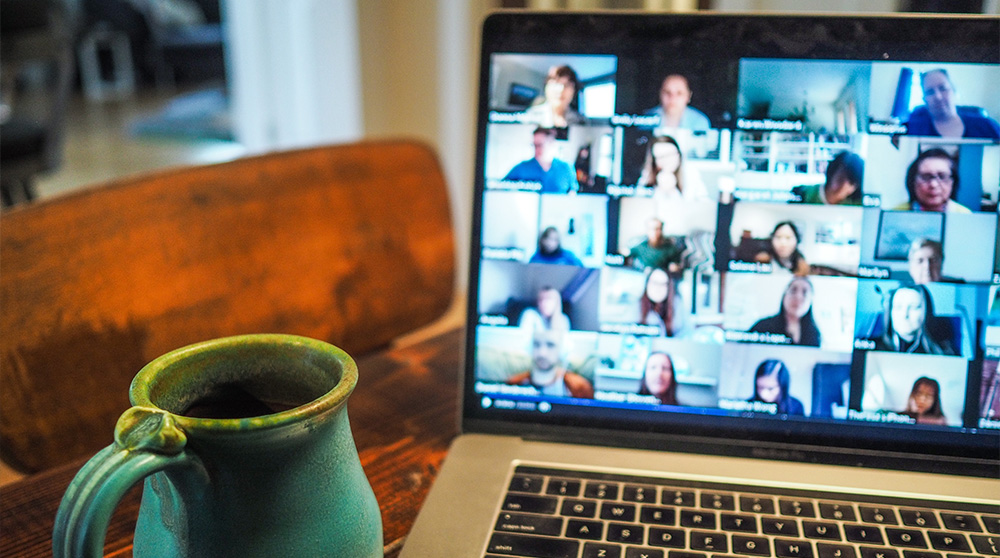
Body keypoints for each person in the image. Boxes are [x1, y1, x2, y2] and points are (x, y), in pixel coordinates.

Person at [904, 69, 1000, 140]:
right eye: (930, 92)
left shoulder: (986, 125)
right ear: (924, 99)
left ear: (953, 91)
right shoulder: (912, 129)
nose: (938, 97)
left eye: (943, 88)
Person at [506, 327, 593, 398]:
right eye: (536, 344)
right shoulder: (514, 383)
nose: (542, 353)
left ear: (562, 350)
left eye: (550, 345)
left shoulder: (580, 387)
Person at [874, 285, 957, 355]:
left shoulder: (942, 352)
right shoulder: (873, 346)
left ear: (925, 312)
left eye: (914, 307)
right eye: (898, 307)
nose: (904, 315)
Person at [749, 276, 822, 347]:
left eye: (805, 293)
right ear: (784, 295)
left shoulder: (814, 334)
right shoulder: (762, 327)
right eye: (793, 290)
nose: (798, 297)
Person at [504, 127, 579, 194]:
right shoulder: (521, 168)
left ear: (551, 143)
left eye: (540, 145)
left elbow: (572, 193)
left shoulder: (566, 168)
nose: (536, 149)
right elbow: (502, 188)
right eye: (534, 145)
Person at [893, 148, 971, 213]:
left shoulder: (964, 215)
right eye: (926, 177)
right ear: (913, 181)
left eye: (942, 176)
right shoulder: (896, 213)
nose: (933, 184)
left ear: (952, 182)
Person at [637, 135, 708, 201]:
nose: (667, 160)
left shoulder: (692, 174)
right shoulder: (646, 176)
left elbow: (705, 205)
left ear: (679, 155)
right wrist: (661, 190)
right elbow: (638, 203)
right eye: (661, 157)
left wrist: (672, 191)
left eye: (670, 155)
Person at [792, 151, 865, 205]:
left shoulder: (857, 205)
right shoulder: (804, 194)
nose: (843, 184)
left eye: (850, 181)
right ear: (832, 171)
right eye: (841, 176)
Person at [645, 74, 711, 131]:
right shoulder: (646, 119)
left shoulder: (700, 121)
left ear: (688, 96)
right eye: (667, 92)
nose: (672, 98)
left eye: (679, 93)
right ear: (660, 94)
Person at [639, 268, 686, 337]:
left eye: (663, 284)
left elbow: (686, 335)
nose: (658, 288)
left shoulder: (678, 308)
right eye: (655, 283)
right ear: (647, 284)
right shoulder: (635, 308)